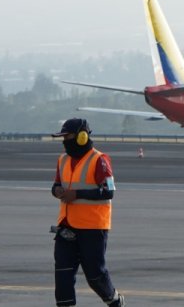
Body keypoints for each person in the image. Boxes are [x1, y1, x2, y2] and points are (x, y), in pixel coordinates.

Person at [51, 118, 124, 307]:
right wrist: (57, 191)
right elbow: (56, 185)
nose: (64, 141)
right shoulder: (63, 159)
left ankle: (115, 301)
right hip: (66, 225)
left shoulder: (99, 160)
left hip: (92, 227)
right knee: (63, 274)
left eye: (67, 136)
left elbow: (109, 191)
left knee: (94, 275)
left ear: (83, 137)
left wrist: (77, 194)